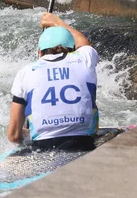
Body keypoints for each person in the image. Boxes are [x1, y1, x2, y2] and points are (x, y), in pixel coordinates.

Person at [7, 12, 99, 151]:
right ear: (72, 49)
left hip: (43, 146)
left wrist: (24, 137)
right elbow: (83, 42)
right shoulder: (84, 59)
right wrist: (56, 21)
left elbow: (13, 135)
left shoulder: (26, 71)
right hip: (83, 141)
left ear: (40, 53)